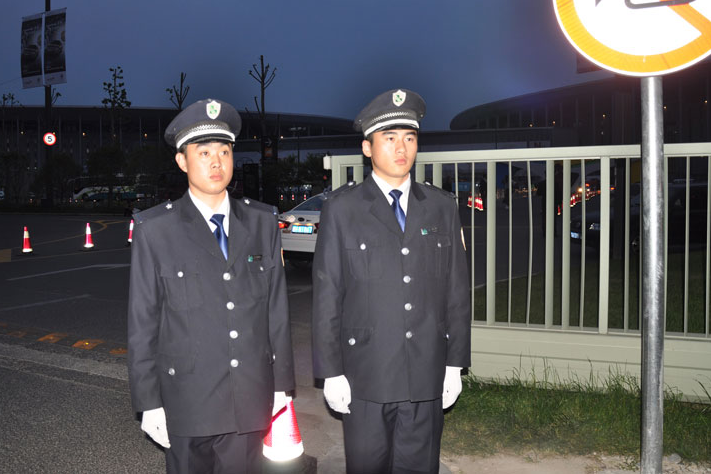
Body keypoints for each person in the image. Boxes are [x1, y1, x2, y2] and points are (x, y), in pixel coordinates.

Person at [127, 98, 295, 473]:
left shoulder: (262, 221)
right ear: (182, 161)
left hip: (248, 397)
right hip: (186, 400)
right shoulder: (156, 230)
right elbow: (143, 323)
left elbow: (276, 311)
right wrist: (148, 401)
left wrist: (282, 385)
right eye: (204, 153)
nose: (217, 162)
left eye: (224, 151)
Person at [312, 89, 471, 473]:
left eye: (409, 138)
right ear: (367, 147)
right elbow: (328, 294)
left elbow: (456, 290)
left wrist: (454, 364)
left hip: (426, 373)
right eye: (390, 138)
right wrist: (331, 372)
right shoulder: (342, 209)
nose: (402, 148)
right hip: (366, 375)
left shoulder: (441, 206)